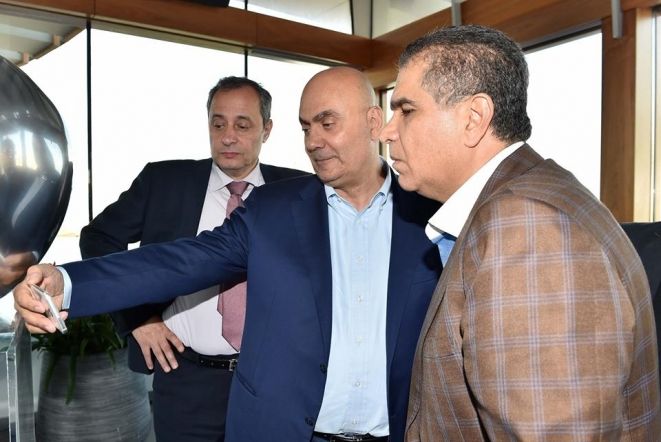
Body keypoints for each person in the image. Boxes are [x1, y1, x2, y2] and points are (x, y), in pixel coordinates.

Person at [15, 66, 442, 442]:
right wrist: (68, 282)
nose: (313, 142)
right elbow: (178, 261)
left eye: (327, 124)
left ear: (373, 122)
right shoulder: (273, 210)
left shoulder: (430, 214)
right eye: (306, 128)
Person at [378, 24, 661, 440]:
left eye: (406, 110)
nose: (386, 131)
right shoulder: (528, 200)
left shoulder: (528, 225)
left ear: (474, 118)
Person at [77, 76, 307, 442]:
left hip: (271, 382)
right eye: (218, 124)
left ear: (266, 129)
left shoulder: (298, 191)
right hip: (186, 383)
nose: (228, 136)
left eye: (242, 125)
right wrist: (139, 318)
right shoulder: (164, 182)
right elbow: (98, 238)